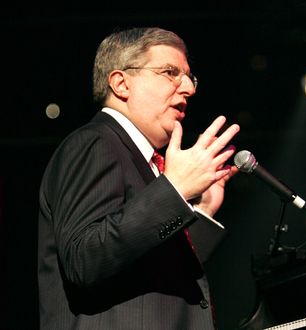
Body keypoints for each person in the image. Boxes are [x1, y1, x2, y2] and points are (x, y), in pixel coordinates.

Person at [38, 26, 240, 330]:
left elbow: (157, 272)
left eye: (189, 76)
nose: (188, 88)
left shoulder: (145, 162)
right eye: (170, 72)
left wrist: (199, 210)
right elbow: (85, 257)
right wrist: (174, 190)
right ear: (121, 83)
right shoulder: (96, 142)